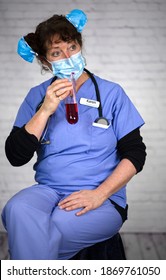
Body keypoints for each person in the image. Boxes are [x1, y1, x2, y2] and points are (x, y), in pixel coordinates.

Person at [1, 9, 146, 260]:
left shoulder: (111, 94)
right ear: (46, 61)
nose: (68, 56)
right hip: (48, 191)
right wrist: (45, 110)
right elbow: (16, 156)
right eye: (57, 53)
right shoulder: (37, 97)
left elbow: (136, 154)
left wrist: (99, 194)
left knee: (50, 230)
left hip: (101, 195)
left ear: (80, 46)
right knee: (16, 209)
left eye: (72, 47)